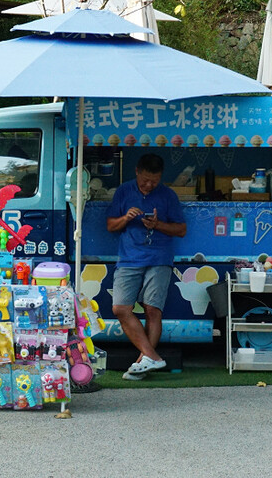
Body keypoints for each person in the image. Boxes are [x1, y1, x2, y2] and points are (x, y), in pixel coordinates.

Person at [106, 153, 186, 380]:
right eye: (145, 181)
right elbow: (111, 225)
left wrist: (158, 224)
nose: (149, 185)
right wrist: (126, 218)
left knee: (152, 310)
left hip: (159, 258)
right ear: (137, 172)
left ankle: (143, 364)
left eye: (155, 181)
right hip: (129, 258)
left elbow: (181, 230)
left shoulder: (168, 195)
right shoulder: (123, 191)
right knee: (120, 309)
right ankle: (154, 357)